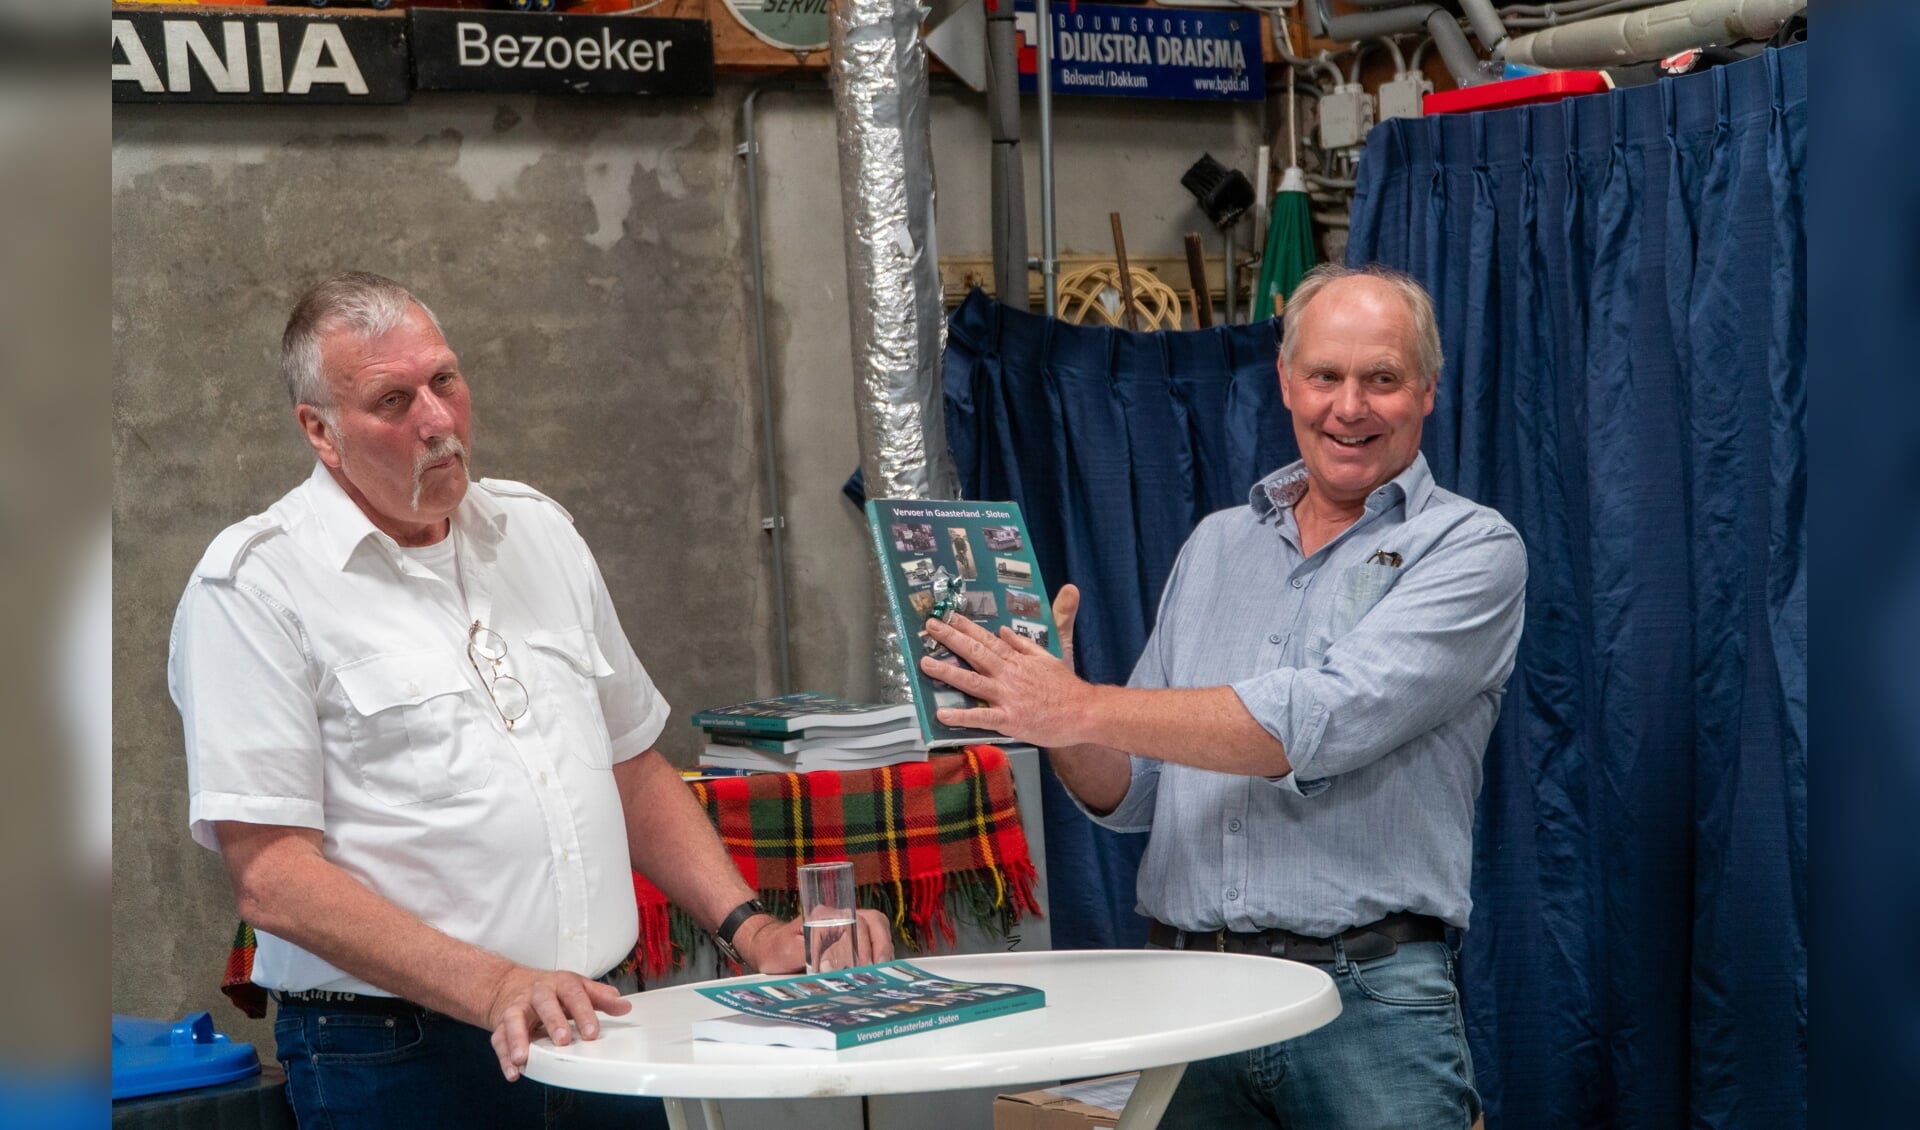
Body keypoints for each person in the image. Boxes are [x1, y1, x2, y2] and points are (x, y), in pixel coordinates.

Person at [169, 272, 892, 1128]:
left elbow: (630, 767)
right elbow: (275, 880)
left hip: (598, 1025)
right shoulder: (255, 586)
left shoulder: (538, 533)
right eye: (393, 400)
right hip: (400, 1056)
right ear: (319, 431)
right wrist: (496, 986)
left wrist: (753, 929)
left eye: (444, 381)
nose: (436, 421)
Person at [921, 264, 1525, 1128]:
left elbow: (1314, 721)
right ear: (1285, 382)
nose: (1348, 406)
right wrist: (1044, 708)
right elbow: (1131, 792)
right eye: (1324, 376)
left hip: (1365, 1002)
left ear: (1427, 391)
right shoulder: (1215, 544)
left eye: (1381, 379)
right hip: (1189, 996)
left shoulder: (1469, 549)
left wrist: (1076, 702)